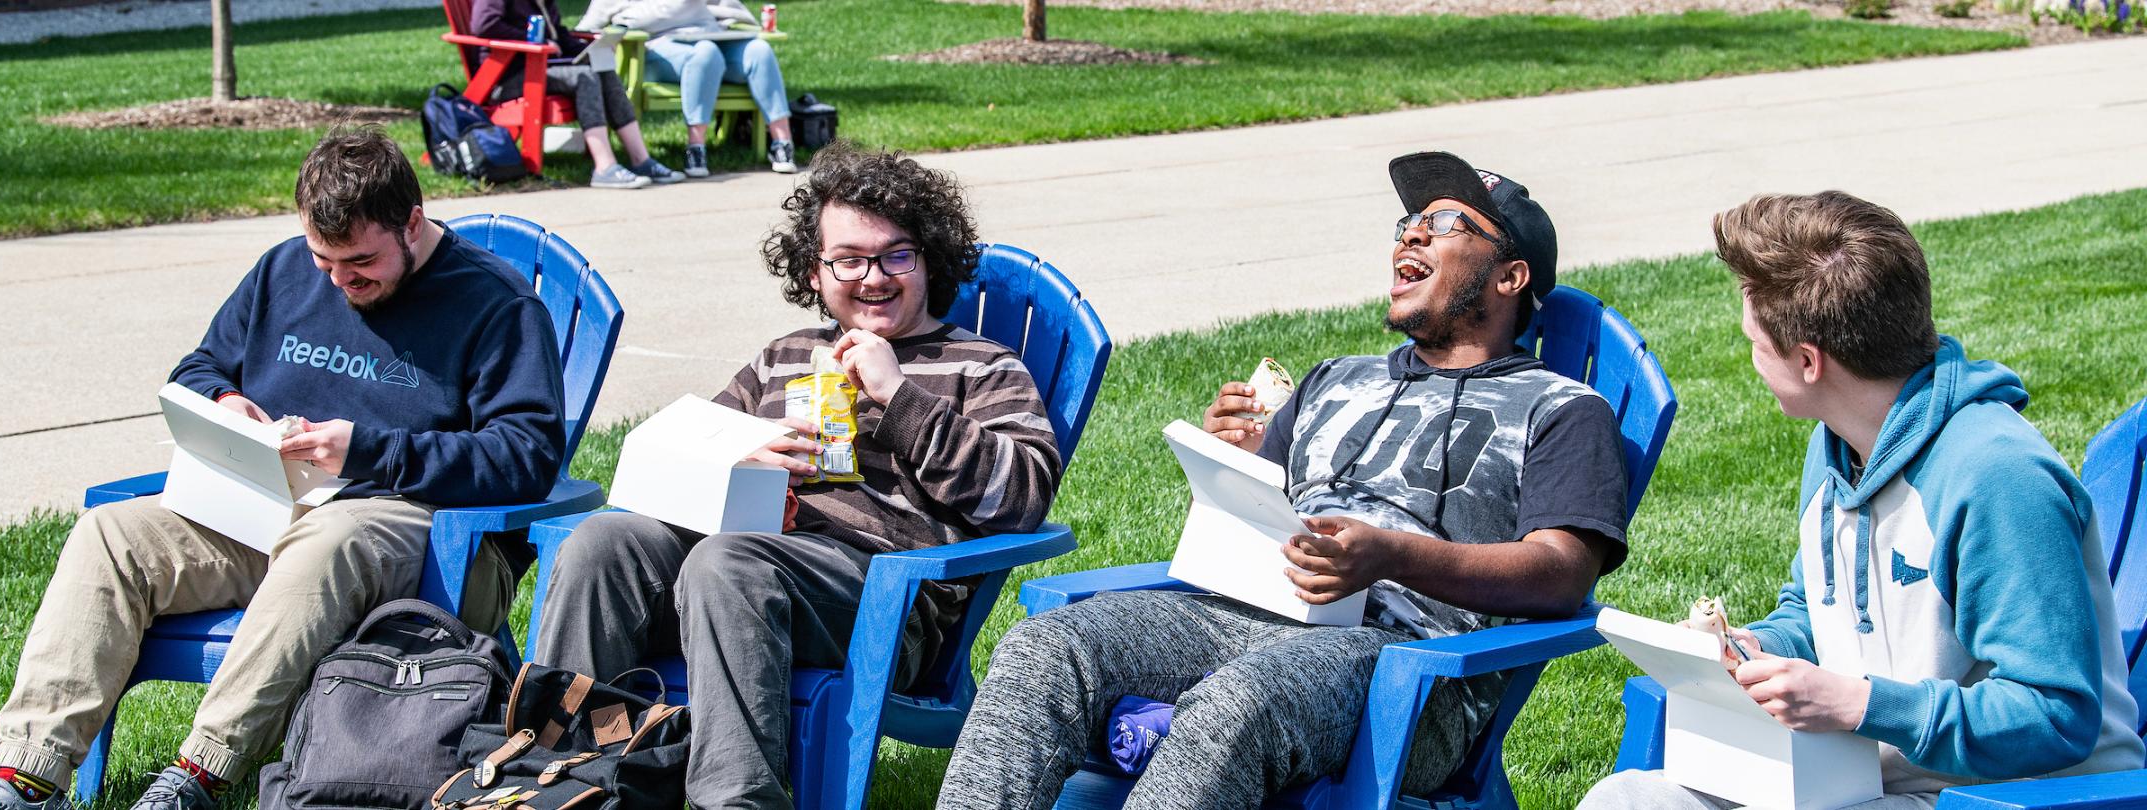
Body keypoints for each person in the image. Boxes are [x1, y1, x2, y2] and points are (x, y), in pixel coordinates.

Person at [936, 151, 1631, 808]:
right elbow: (1254, 516)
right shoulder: (1337, 377)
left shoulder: (1563, 409)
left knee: (1236, 703)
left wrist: (1391, 555)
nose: (1410, 237)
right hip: (1242, 613)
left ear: (1510, 277)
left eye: (1446, 225)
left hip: (1410, 664)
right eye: (1407, 225)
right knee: (1046, 648)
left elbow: (1561, 572)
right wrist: (1232, 461)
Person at [0, 126, 566, 810]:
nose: (339, 281)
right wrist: (226, 402)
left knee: (329, 540)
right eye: (324, 261)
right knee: (110, 535)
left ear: (413, 223)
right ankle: (28, 773)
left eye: (359, 263)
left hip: (414, 524)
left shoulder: (497, 305)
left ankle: (197, 774)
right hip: (262, 509)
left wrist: (368, 451)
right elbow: (199, 367)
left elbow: (526, 455)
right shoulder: (283, 271)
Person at [531, 143, 1062, 809]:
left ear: (928, 260)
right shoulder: (783, 357)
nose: (873, 277)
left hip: (878, 599)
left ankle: (737, 802)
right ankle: (567, 778)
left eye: (897, 254)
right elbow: (674, 467)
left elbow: (1022, 496)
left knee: (728, 564)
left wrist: (900, 399)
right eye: (849, 259)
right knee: (602, 543)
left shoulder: (977, 365)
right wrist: (733, 469)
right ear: (814, 272)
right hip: (734, 577)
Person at [1577, 192, 2145, 809]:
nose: (1750, 359)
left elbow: (2055, 714)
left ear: (1808, 361)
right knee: (1629, 798)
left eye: (1754, 341)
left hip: (2008, 795)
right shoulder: (1839, 445)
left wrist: (1859, 704)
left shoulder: (1997, 480)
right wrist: (1760, 650)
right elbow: (1817, 613)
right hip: (1860, 776)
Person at [469, 0, 684, 188]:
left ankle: (641, 159)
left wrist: (588, 47)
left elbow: (557, 34)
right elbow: (484, 24)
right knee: (584, 76)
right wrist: (536, 42)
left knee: (603, 68)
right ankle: (604, 167)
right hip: (509, 76)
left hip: (543, 68)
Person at [577, 0, 800, 176]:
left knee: (759, 50)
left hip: (712, 35)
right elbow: (589, 24)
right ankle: (696, 148)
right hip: (657, 48)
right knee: (706, 53)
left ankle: (782, 143)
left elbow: (725, 8)